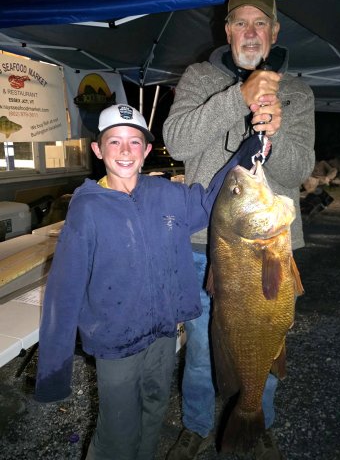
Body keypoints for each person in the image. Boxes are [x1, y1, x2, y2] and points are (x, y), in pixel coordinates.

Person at [34, 104, 262, 460]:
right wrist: (53, 371)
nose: (125, 151)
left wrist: (251, 150)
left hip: (163, 334)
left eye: (134, 142)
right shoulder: (87, 208)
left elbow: (210, 202)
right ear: (98, 150)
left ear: (147, 150)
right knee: (117, 433)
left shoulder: (167, 194)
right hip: (117, 344)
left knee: (154, 411)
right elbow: (63, 292)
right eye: (114, 142)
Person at [163, 0, 315, 460]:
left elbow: (298, 170)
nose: (250, 33)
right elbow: (178, 141)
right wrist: (238, 98)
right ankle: (196, 423)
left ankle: (257, 421)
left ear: (274, 31)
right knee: (205, 345)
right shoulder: (198, 77)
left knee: (265, 337)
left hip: (270, 245)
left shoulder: (297, 91)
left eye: (259, 24)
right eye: (241, 23)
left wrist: (278, 129)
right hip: (205, 243)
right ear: (227, 30)